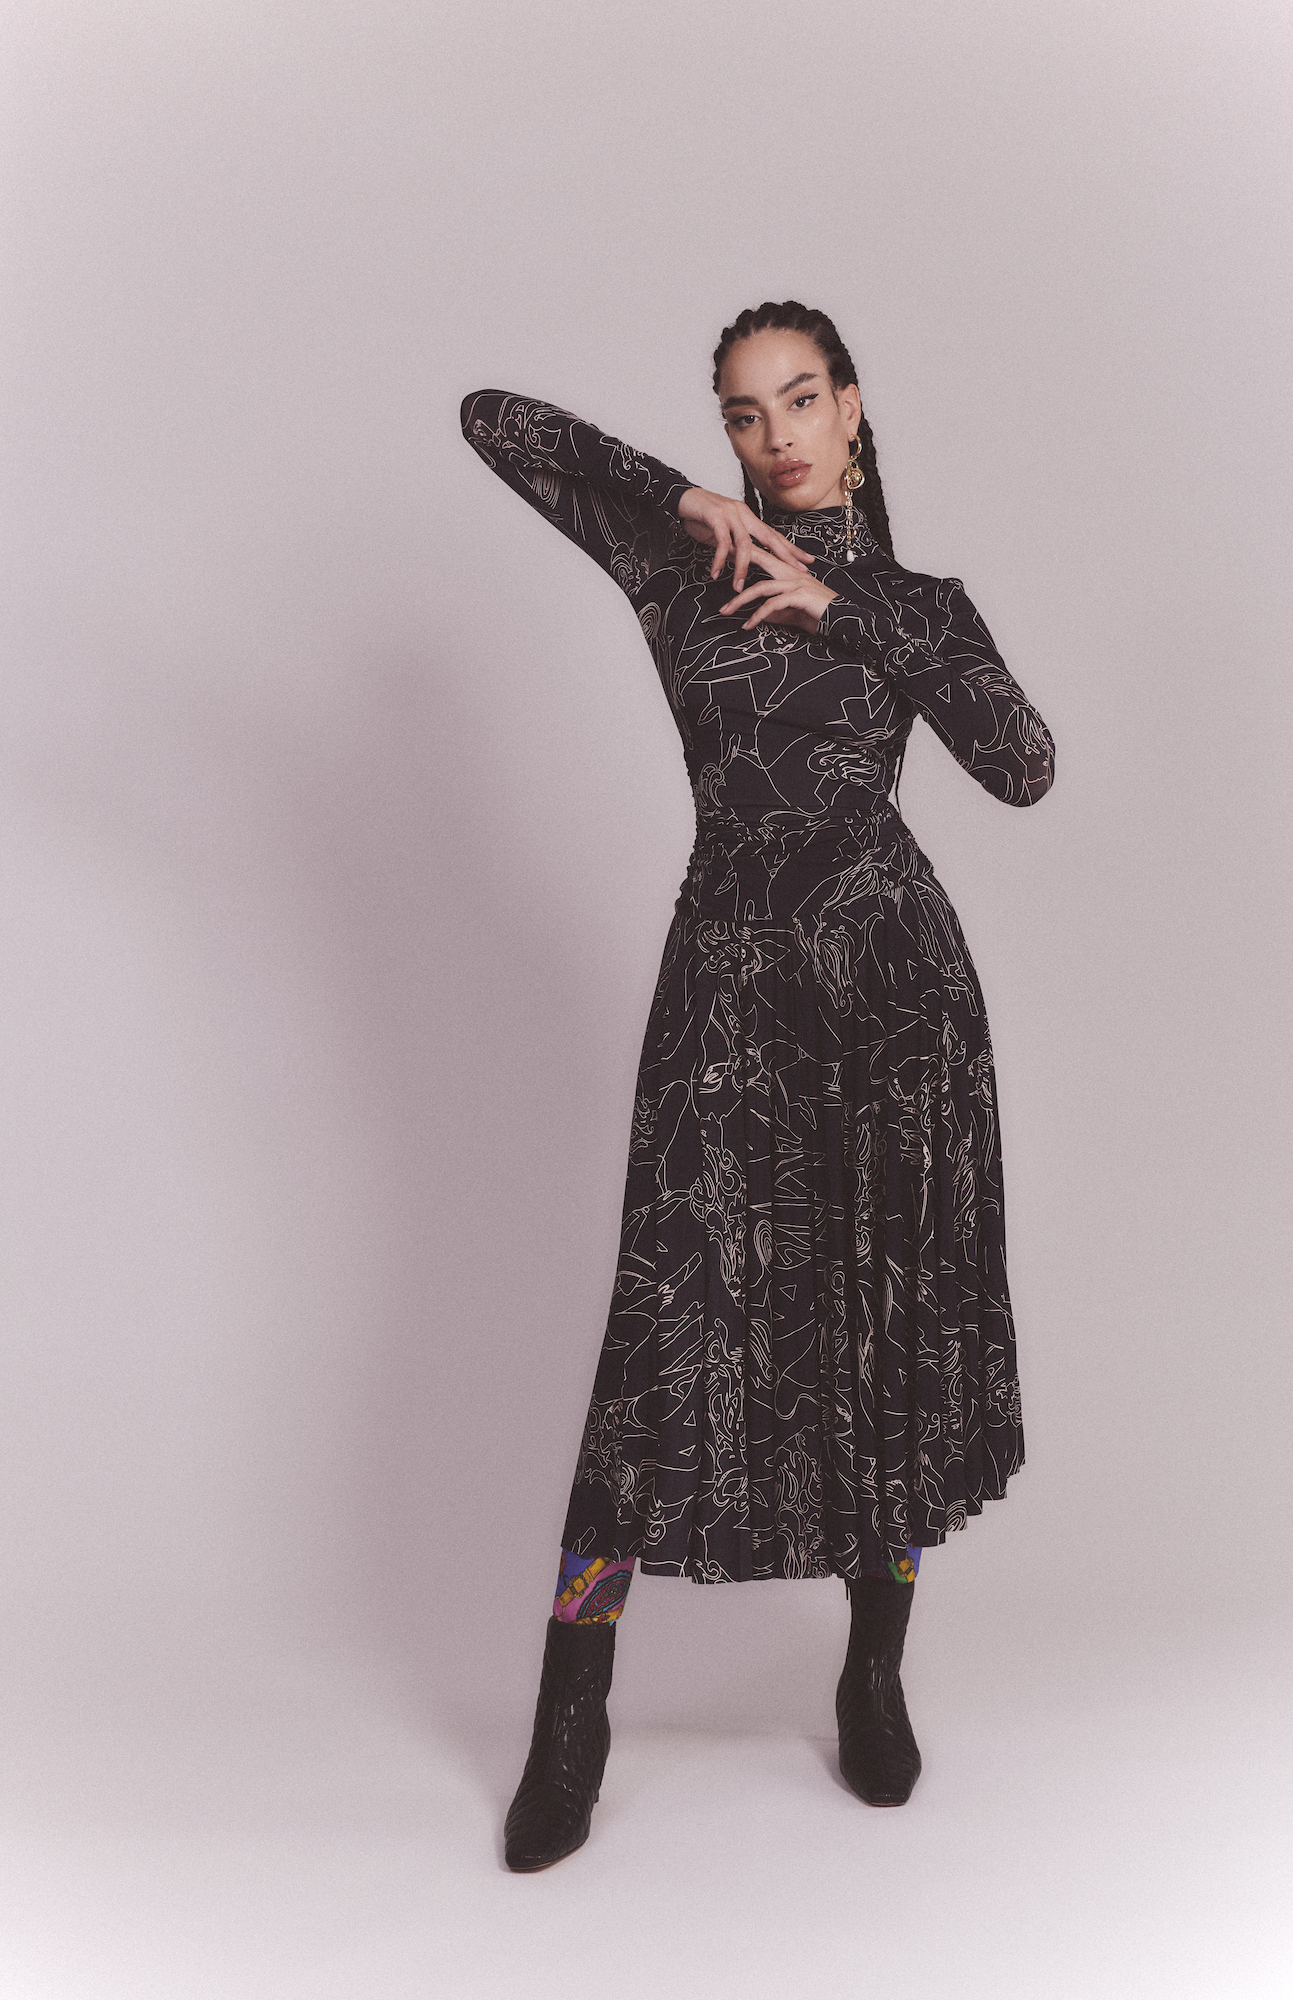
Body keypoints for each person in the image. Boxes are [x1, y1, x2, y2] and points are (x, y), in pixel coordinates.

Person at [460, 299, 1055, 1872]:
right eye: (742, 412)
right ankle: (570, 1722)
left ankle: (872, 1672)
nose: (774, 434)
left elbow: (1020, 762)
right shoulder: (685, 569)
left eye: (798, 400)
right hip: (727, 993)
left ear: (851, 408)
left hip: (891, 1003)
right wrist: (680, 497)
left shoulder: (914, 604)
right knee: (657, 1351)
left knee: (880, 1337)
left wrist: (846, 612)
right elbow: (491, 418)